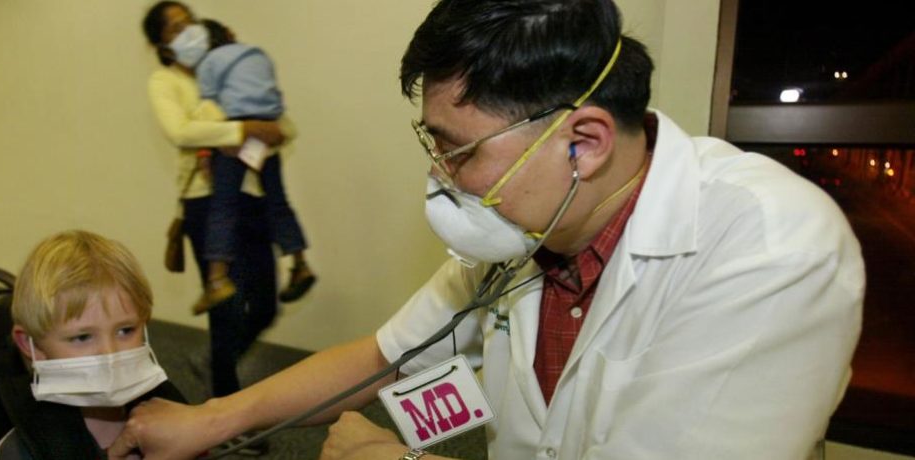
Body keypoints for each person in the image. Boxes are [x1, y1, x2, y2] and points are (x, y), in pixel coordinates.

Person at [112, 1, 865, 459]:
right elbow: (385, 356)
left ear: (585, 142)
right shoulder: (527, 230)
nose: (440, 177)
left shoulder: (772, 247)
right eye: (434, 146)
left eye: (460, 152)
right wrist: (209, 420)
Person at [142, 0, 284, 408]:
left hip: (250, 196)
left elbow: (279, 124)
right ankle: (224, 408)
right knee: (225, 311)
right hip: (205, 206)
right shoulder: (165, 81)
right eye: (175, 28)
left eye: (189, 21)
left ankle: (211, 362)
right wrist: (241, 128)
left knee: (265, 305)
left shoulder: (227, 66)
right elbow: (180, 131)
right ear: (162, 45)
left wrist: (260, 127)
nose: (189, 30)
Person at [0, 230, 184, 458]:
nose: (110, 354)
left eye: (125, 330)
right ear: (30, 345)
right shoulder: (21, 446)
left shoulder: (169, 409)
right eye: (82, 337)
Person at [194, 17, 318, 308]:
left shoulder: (208, 62)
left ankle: (217, 279)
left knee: (223, 206)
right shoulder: (259, 55)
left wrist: (205, 151)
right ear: (229, 33)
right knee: (278, 202)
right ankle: (300, 264)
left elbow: (208, 108)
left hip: (236, 133)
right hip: (269, 130)